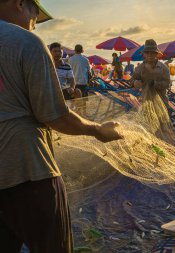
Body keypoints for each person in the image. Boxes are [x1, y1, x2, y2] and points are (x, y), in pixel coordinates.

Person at [0, 1, 123, 252]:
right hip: (28, 170)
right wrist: (98, 130)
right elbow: (54, 115)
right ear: (20, 4)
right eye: (36, 15)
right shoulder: (26, 42)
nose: (35, 23)